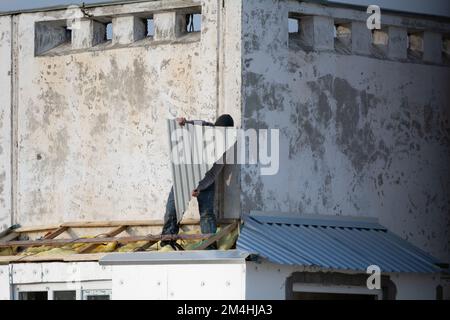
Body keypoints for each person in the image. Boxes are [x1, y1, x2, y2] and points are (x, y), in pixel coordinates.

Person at [161, 114, 235, 250]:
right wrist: (182, 122)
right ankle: (167, 241)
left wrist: (199, 187)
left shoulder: (224, 150)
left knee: (207, 214)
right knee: (173, 209)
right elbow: (186, 125)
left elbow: (213, 174)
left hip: (205, 181)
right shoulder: (202, 127)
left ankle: (209, 244)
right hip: (184, 176)